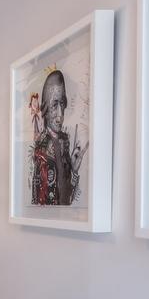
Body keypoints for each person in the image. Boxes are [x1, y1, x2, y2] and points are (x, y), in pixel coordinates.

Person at [30, 69, 85, 206]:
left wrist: (74, 170)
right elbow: (40, 201)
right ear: (45, 109)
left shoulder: (64, 142)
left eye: (62, 103)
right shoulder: (41, 149)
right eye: (54, 105)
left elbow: (67, 200)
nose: (60, 114)